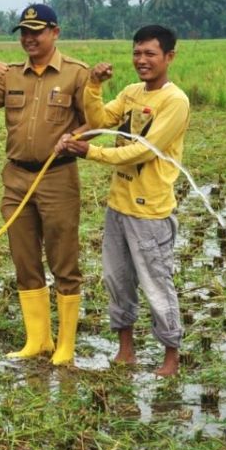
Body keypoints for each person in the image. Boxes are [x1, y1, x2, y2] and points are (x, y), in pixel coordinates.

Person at [57, 25, 190, 377]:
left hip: (150, 211)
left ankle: (171, 357)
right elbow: (100, 120)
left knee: (156, 284)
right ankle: (125, 350)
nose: (142, 60)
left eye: (150, 54)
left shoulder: (175, 101)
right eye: (137, 53)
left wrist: (89, 151)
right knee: (117, 280)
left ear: (169, 57)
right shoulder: (132, 92)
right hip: (119, 205)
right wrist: (95, 85)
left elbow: (141, 152)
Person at [0, 4, 88, 365]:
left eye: (36, 31)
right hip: (17, 177)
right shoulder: (8, 76)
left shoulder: (76, 74)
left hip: (58, 176)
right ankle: (38, 339)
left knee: (64, 260)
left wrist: (73, 136)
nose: (29, 38)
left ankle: (65, 344)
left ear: (55, 32)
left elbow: (94, 120)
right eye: (24, 32)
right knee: (24, 258)